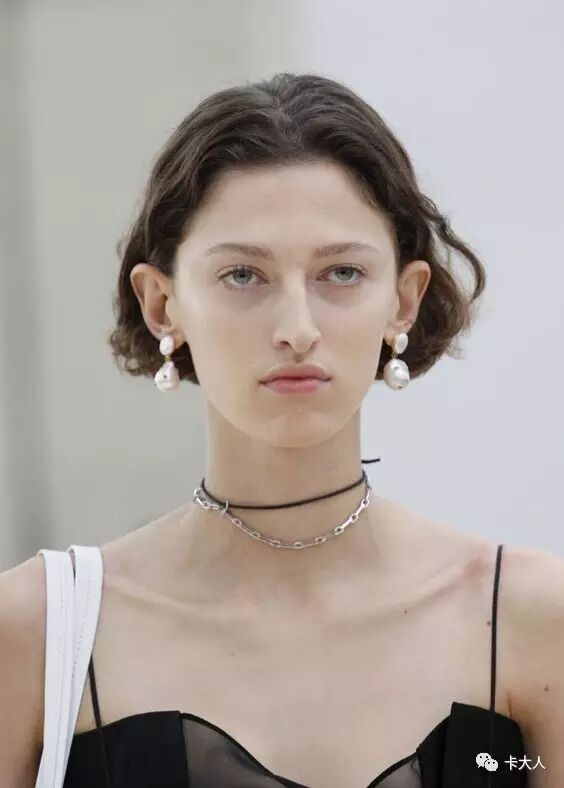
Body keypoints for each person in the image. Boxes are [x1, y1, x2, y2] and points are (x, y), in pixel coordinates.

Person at [1, 72, 563, 788]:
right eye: (243, 275)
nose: (297, 328)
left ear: (404, 299)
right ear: (161, 304)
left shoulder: (530, 619)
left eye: (341, 273)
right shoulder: (37, 631)